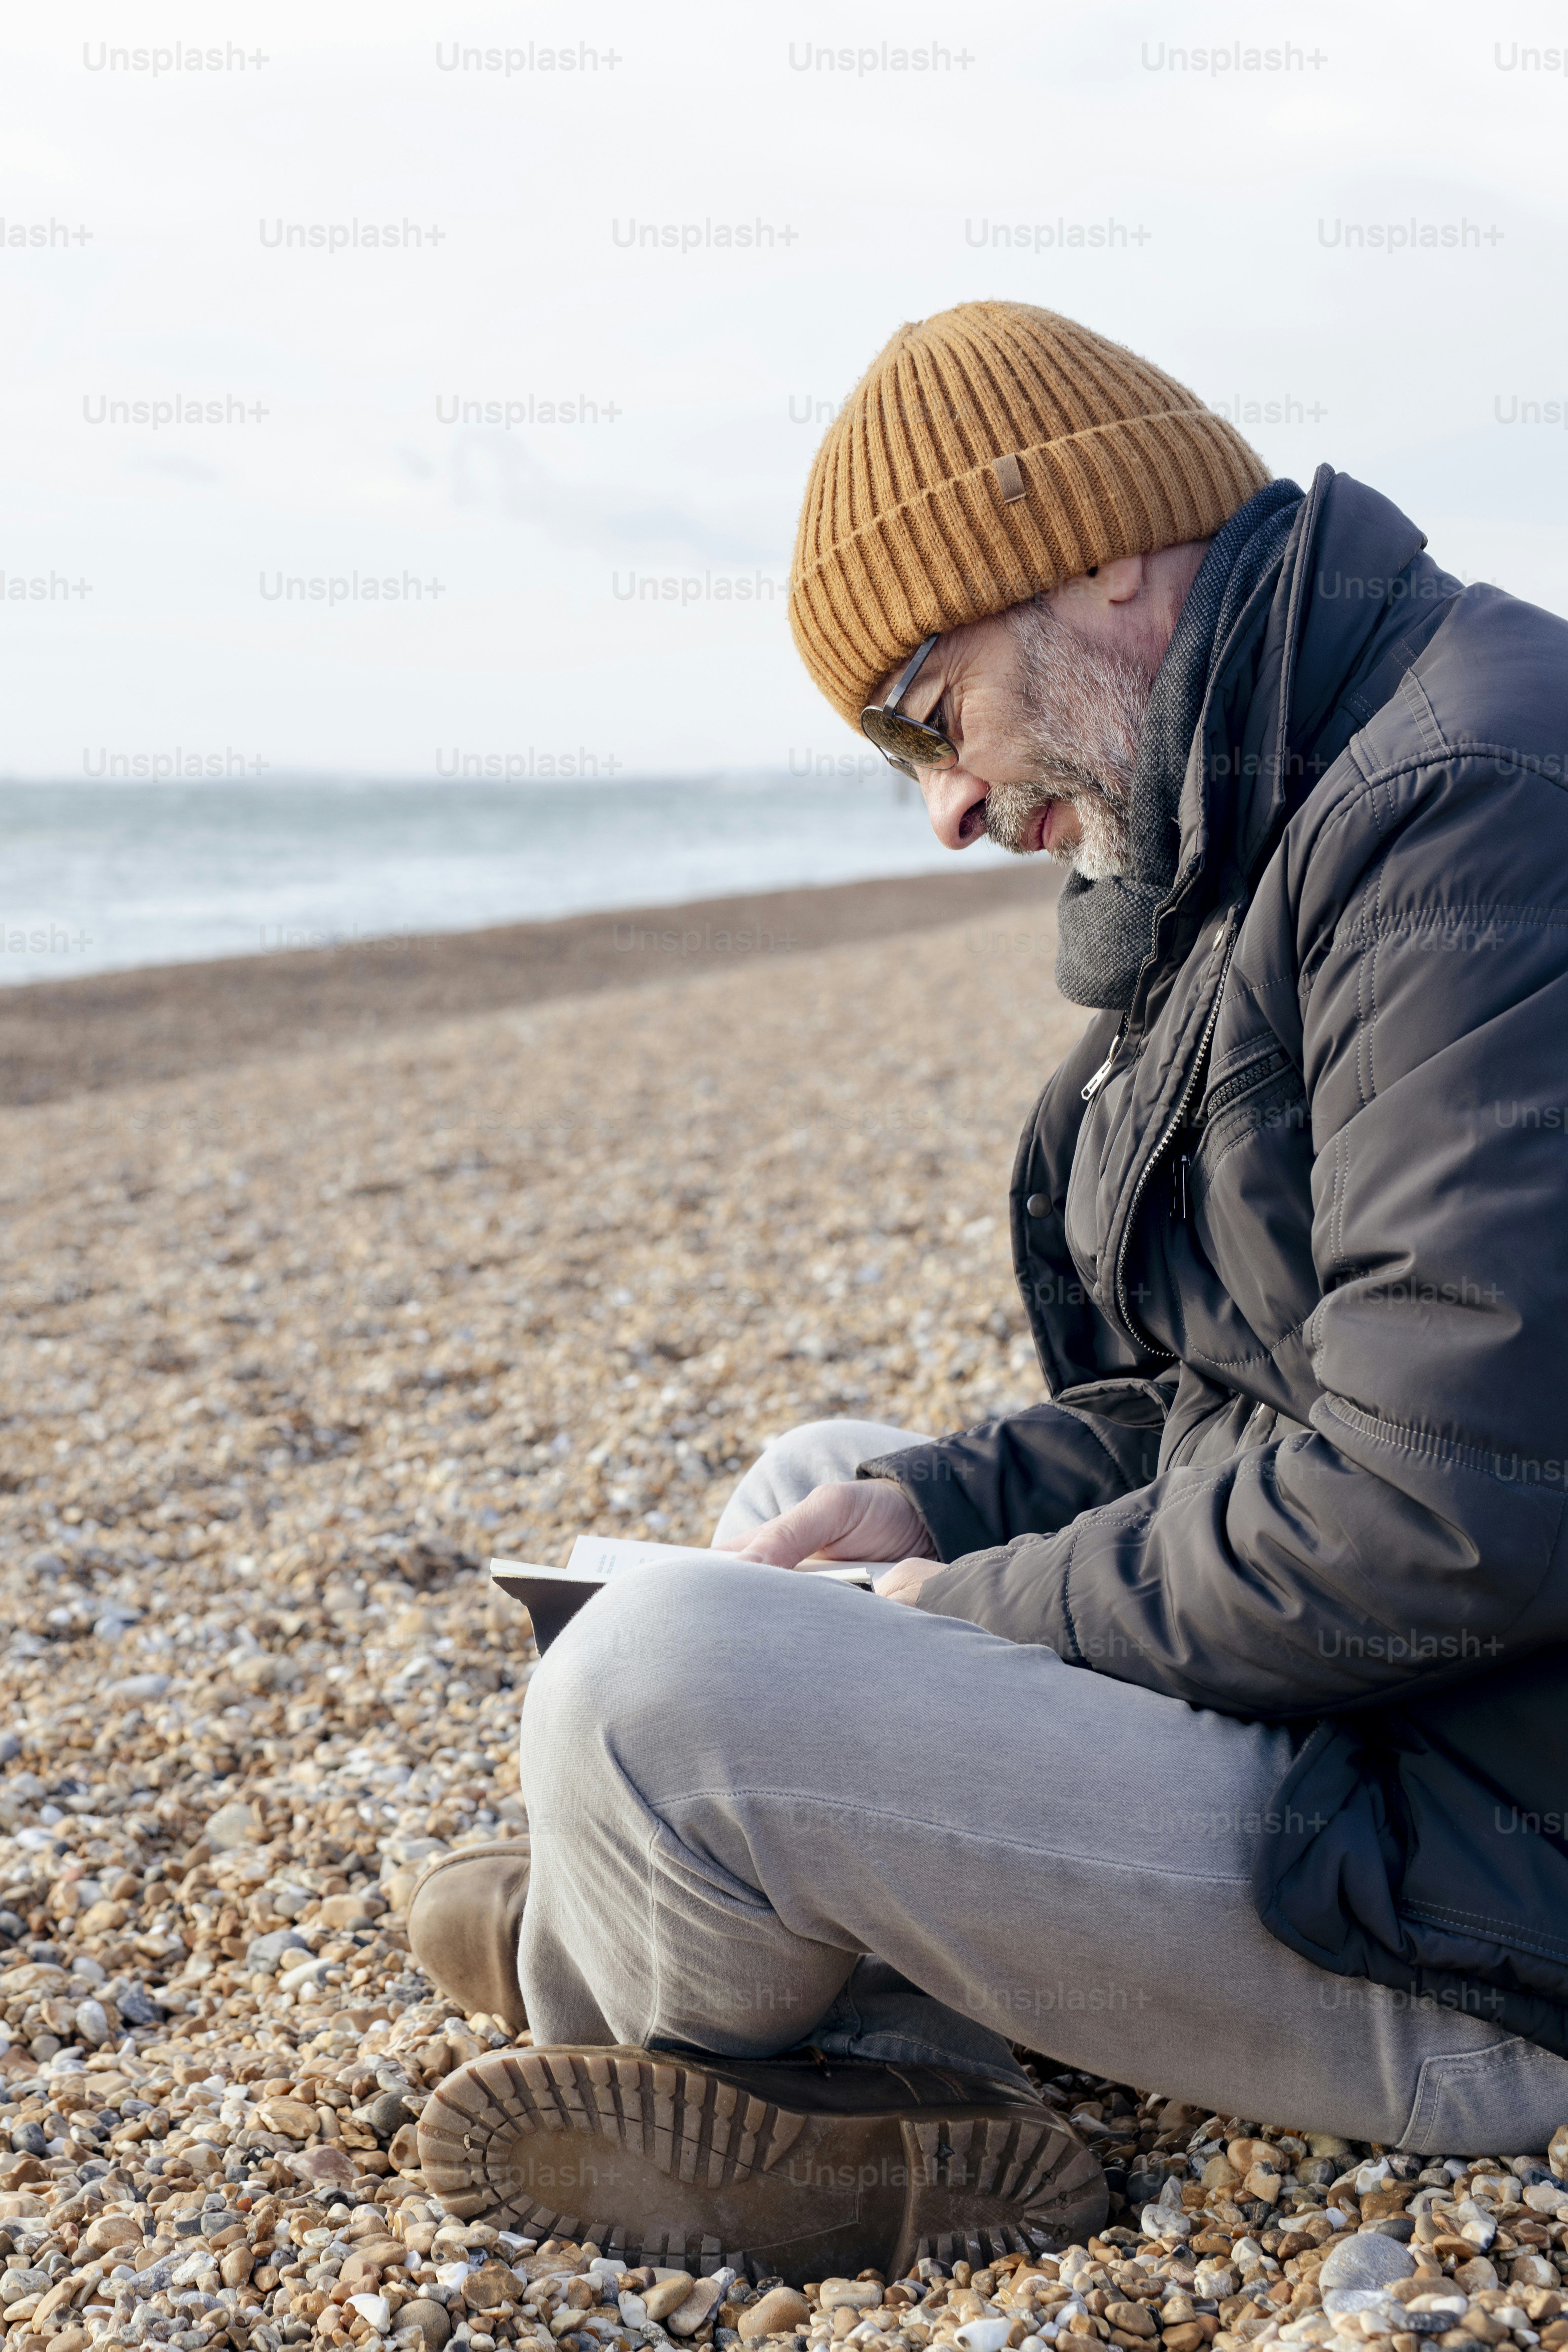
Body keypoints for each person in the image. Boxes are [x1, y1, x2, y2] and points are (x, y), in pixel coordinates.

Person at [405, 303, 1568, 2275]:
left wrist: (975, 1613)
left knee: (656, 1683)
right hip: (1442, 1750)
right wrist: (938, 1511)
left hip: (1491, 1911)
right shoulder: (1298, 805)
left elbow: (1451, 1511)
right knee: (814, 1484)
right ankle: (777, 1981)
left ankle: (750, 2038)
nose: (943, 808)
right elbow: (1261, 1392)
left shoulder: (1469, 806)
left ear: (1100, 548)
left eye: (928, 715)